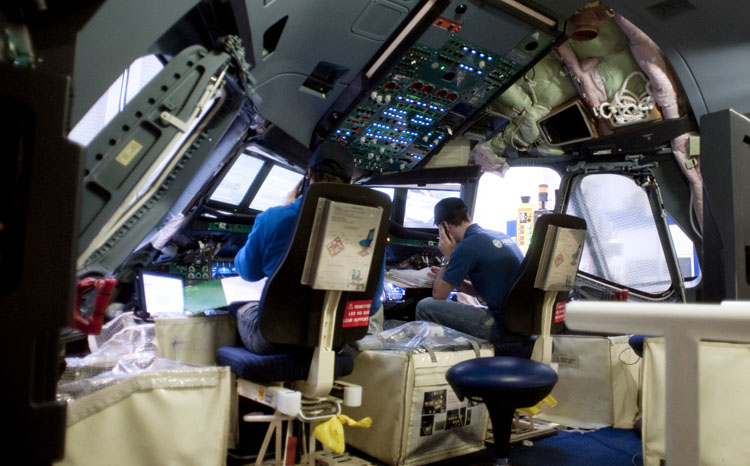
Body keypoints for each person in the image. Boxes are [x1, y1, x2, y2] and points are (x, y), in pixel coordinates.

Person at [234, 142, 384, 354]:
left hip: (276, 337)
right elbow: (374, 303)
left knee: (238, 307)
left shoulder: (273, 218)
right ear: (349, 183)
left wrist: (284, 211)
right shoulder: (370, 231)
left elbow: (247, 272)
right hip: (335, 340)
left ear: (308, 175)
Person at [415, 197, 531, 355]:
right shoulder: (497, 234)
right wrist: (452, 277)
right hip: (519, 324)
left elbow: (439, 295)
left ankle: (440, 362)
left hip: (498, 327)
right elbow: (480, 291)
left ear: (444, 226)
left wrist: (447, 259)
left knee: (425, 306)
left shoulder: (466, 246)